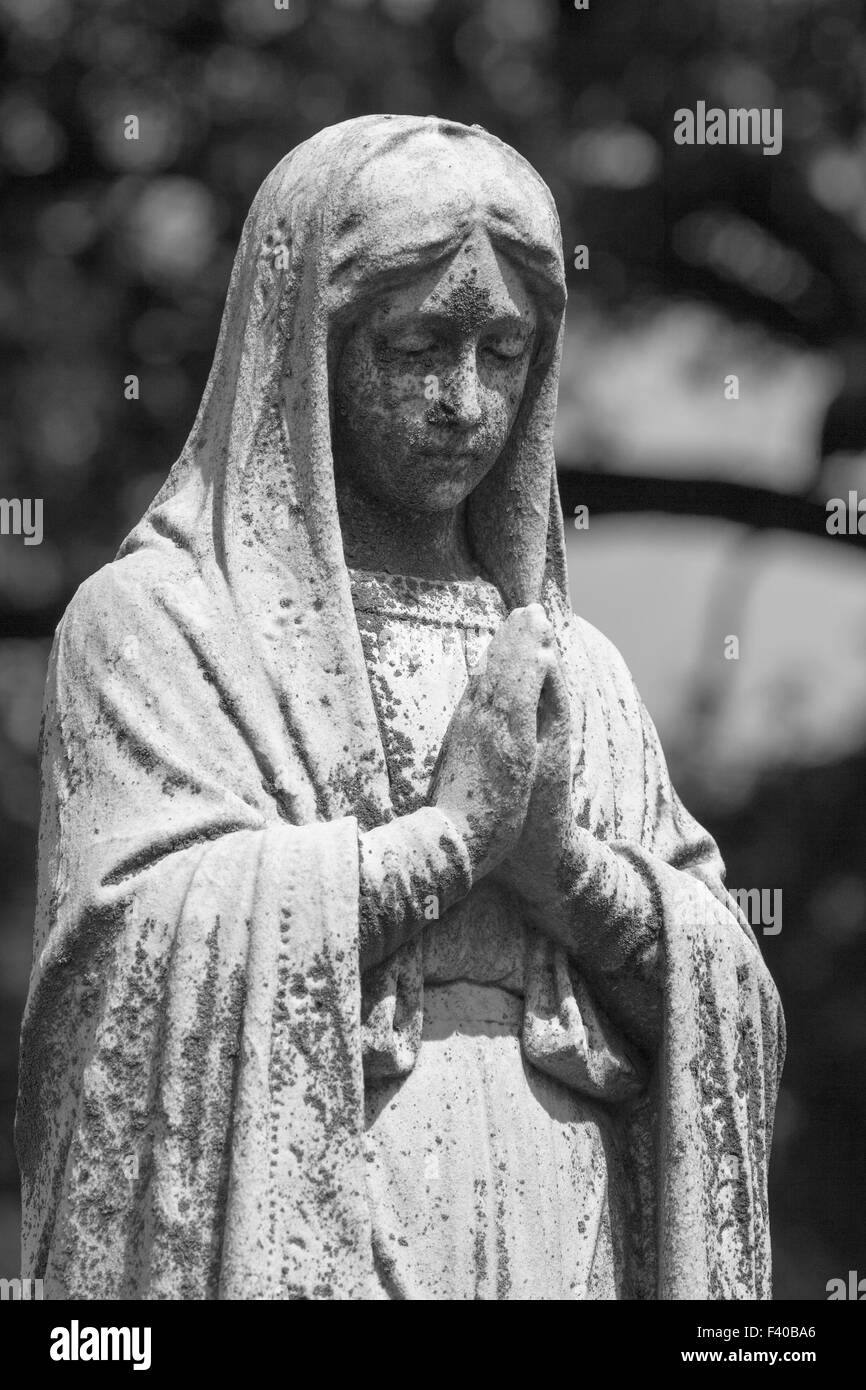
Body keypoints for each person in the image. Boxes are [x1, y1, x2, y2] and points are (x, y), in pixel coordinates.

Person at [16, 115, 784, 1300]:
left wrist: (567, 875)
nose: (461, 400)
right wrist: (447, 846)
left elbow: (723, 984)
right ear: (307, 351)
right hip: (313, 1205)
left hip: (564, 1208)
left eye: (503, 350)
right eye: (417, 343)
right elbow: (122, 965)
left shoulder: (572, 668)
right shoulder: (162, 625)